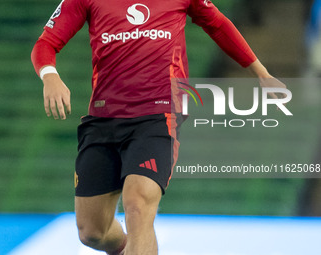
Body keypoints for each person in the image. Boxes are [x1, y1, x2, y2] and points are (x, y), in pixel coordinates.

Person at [31, 0, 286, 254]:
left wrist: (261, 73)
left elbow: (217, 24)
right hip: (103, 118)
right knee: (92, 233)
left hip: (159, 113)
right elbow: (46, 43)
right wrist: (49, 75)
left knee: (138, 204)